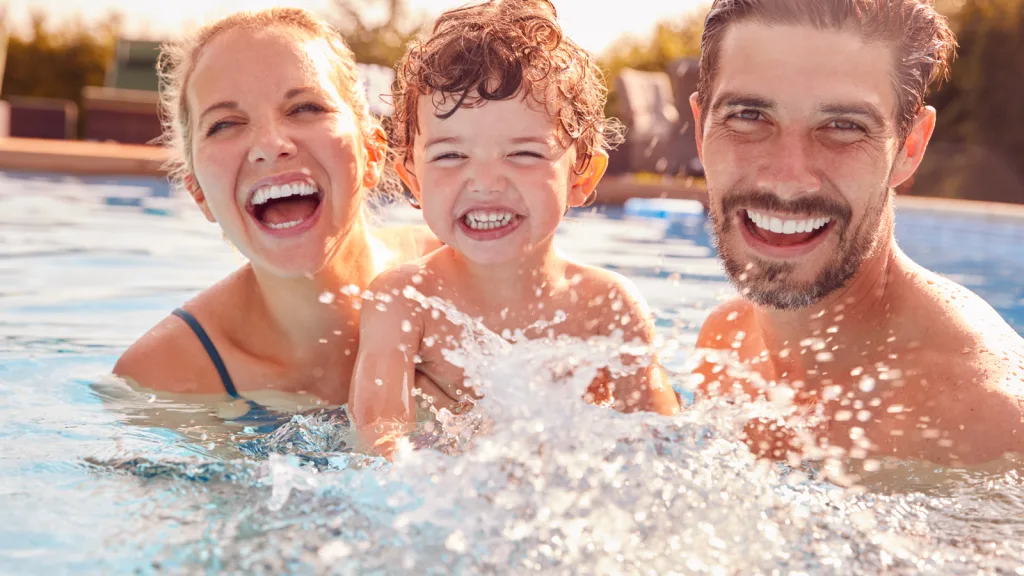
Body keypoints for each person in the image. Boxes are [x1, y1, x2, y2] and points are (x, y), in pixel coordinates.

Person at [688, 0, 1024, 467]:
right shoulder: (726, 343)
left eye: (844, 126)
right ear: (701, 129)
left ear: (910, 146)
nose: (787, 179)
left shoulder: (984, 420)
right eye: (748, 115)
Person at [347, 0, 681, 456]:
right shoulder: (403, 302)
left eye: (524, 153)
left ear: (581, 176)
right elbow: (378, 444)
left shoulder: (606, 306)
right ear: (412, 179)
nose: (485, 183)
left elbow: (660, 448)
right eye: (450, 155)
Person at [113, 8, 442, 423]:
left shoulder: (468, 278)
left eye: (305, 108)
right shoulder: (162, 379)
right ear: (198, 193)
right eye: (225, 124)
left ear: (372, 153)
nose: (270, 144)